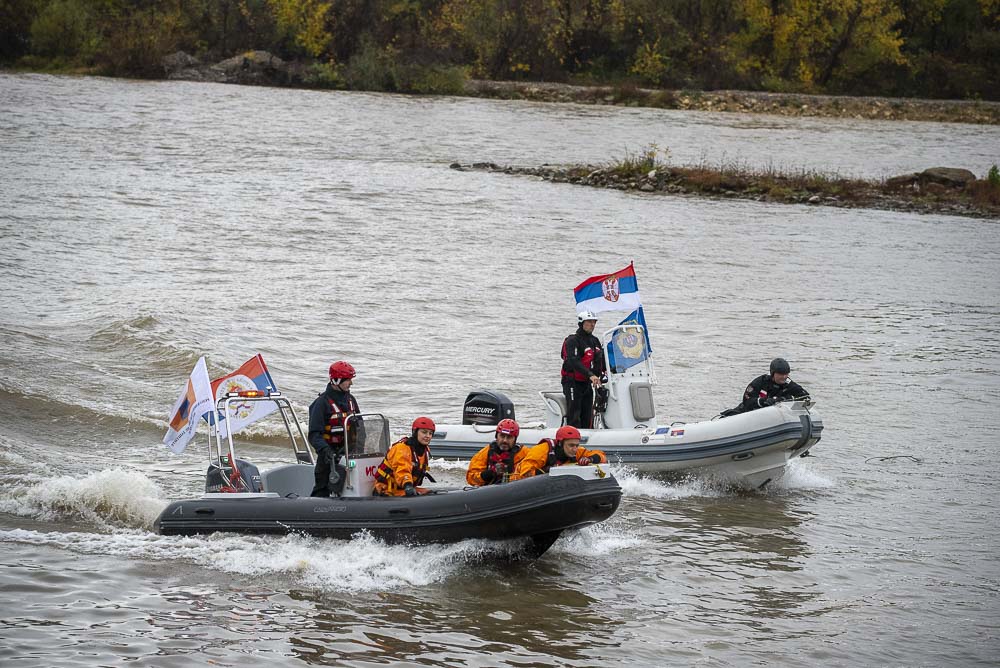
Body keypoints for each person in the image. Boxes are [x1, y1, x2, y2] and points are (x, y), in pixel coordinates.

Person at [309, 360, 360, 497]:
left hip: (349, 456)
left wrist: (359, 447)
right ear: (336, 380)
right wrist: (327, 451)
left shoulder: (351, 401)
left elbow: (360, 428)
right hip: (328, 459)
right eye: (348, 380)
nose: (351, 383)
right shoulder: (321, 404)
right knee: (322, 491)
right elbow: (314, 435)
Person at [561, 310, 607, 428]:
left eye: (594, 322)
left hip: (587, 384)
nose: (592, 325)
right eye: (589, 322)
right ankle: (571, 439)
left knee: (588, 415)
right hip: (572, 383)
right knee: (575, 413)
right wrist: (590, 374)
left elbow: (600, 361)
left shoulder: (595, 341)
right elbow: (573, 361)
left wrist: (606, 373)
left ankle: (588, 438)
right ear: (581, 323)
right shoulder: (573, 340)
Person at [511, 425, 607, 480]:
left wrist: (590, 459)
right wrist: (549, 471)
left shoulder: (577, 452)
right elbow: (525, 471)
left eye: (576, 445)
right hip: (518, 484)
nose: (574, 449)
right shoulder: (542, 450)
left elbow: (602, 456)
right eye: (571, 445)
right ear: (560, 443)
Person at [373, 417, 436, 496]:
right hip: (387, 489)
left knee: (429, 493)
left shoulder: (425, 450)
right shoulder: (402, 448)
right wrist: (408, 485)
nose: (428, 436)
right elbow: (402, 470)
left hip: (402, 487)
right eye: (424, 432)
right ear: (415, 432)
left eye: (430, 433)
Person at [732, 357, 810, 414]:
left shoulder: (789, 384)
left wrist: (784, 399)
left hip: (775, 416)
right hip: (750, 413)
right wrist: (764, 401)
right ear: (773, 373)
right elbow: (747, 401)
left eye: (786, 374)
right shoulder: (760, 382)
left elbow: (805, 397)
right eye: (780, 374)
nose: (784, 377)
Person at [466, 419, 525, 486]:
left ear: (515, 439)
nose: (505, 440)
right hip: (490, 491)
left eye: (509, 437)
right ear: (496, 436)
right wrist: (490, 473)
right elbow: (471, 478)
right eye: (502, 436)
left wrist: (509, 475)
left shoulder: (524, 454)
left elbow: (530, 474)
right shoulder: (485, 453)